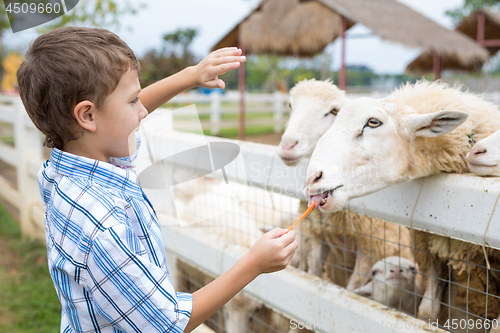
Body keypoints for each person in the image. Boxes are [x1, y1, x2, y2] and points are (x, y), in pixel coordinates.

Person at [17, 26, 298, 333]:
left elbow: (113, 115)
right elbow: (167, 324)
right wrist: (253, 264)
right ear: (87, 116)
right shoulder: (103, 227)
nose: (142, 111)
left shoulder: (67, 167)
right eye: (133, 100)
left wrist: (189, 76)